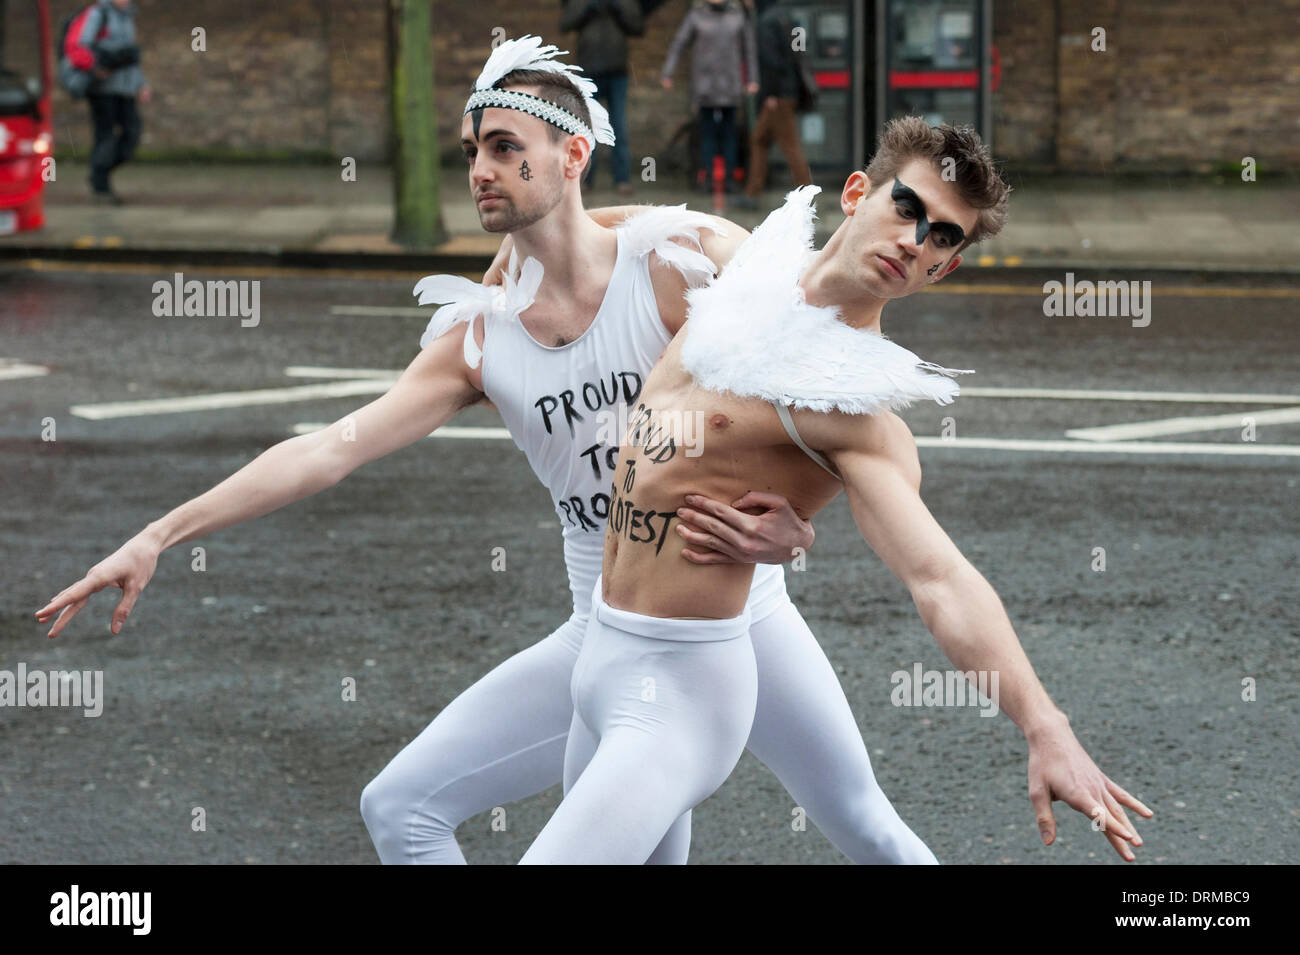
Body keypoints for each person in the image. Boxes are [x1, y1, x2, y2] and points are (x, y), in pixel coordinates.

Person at [35, 37, 935, 865]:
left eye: (507, 147)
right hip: (603, 632)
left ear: (573, 156)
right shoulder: (481, 339)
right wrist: (160, 532)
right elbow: (327, 449)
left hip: (746, 617)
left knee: (863, 822)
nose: (482, 168)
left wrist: (802, 531)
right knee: (400, 806)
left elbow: (826, 357)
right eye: (472, 151)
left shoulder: (680, 267)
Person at [519, 119, 1154, 864]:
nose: (917, 239)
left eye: (944, 237)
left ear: (942, 270)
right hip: (603, 654)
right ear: (857, 194)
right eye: (908, 207)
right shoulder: (747, 259)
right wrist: (514, 258)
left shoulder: (856, 412)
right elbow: (605, 227)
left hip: (680, 690)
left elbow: (939, 578)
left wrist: (1046, 726)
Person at [660, 0, 758, 195]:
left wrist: (752, 79)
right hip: (706, 85)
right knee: (707, 134)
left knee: (729, 135)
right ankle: (706, 178)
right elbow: (679, 43)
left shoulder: (737, 15)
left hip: (730, 84)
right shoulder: (697, 15)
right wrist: (667, 72)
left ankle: (730, 178)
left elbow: (749, 49)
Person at [559, 0, 644, 196]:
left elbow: (638, 27)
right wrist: (587, 10)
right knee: (587, 126)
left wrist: (618, 10)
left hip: (617, 72)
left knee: (619, 126)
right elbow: (565, 24)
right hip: (589, 71)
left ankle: (622, 178)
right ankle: (585, 179)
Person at [734, 0, 812, 211]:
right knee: (759, 140)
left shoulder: (766, 21)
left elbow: (771, 61)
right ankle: (752, 193)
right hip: (787, 92)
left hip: (778, 96)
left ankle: (806, 194)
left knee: (790, 146)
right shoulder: (785, 15)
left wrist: (770, 94)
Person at [76, 0, 151, 204]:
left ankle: (98, 171)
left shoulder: (128, 17)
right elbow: (82, 46)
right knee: (105, 137)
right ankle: (101, 187)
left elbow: (131, 57)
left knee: (132, 135)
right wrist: (96, 67)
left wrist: (141, 84)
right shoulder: (98, 14)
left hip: (126, 89)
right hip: (103, 88)